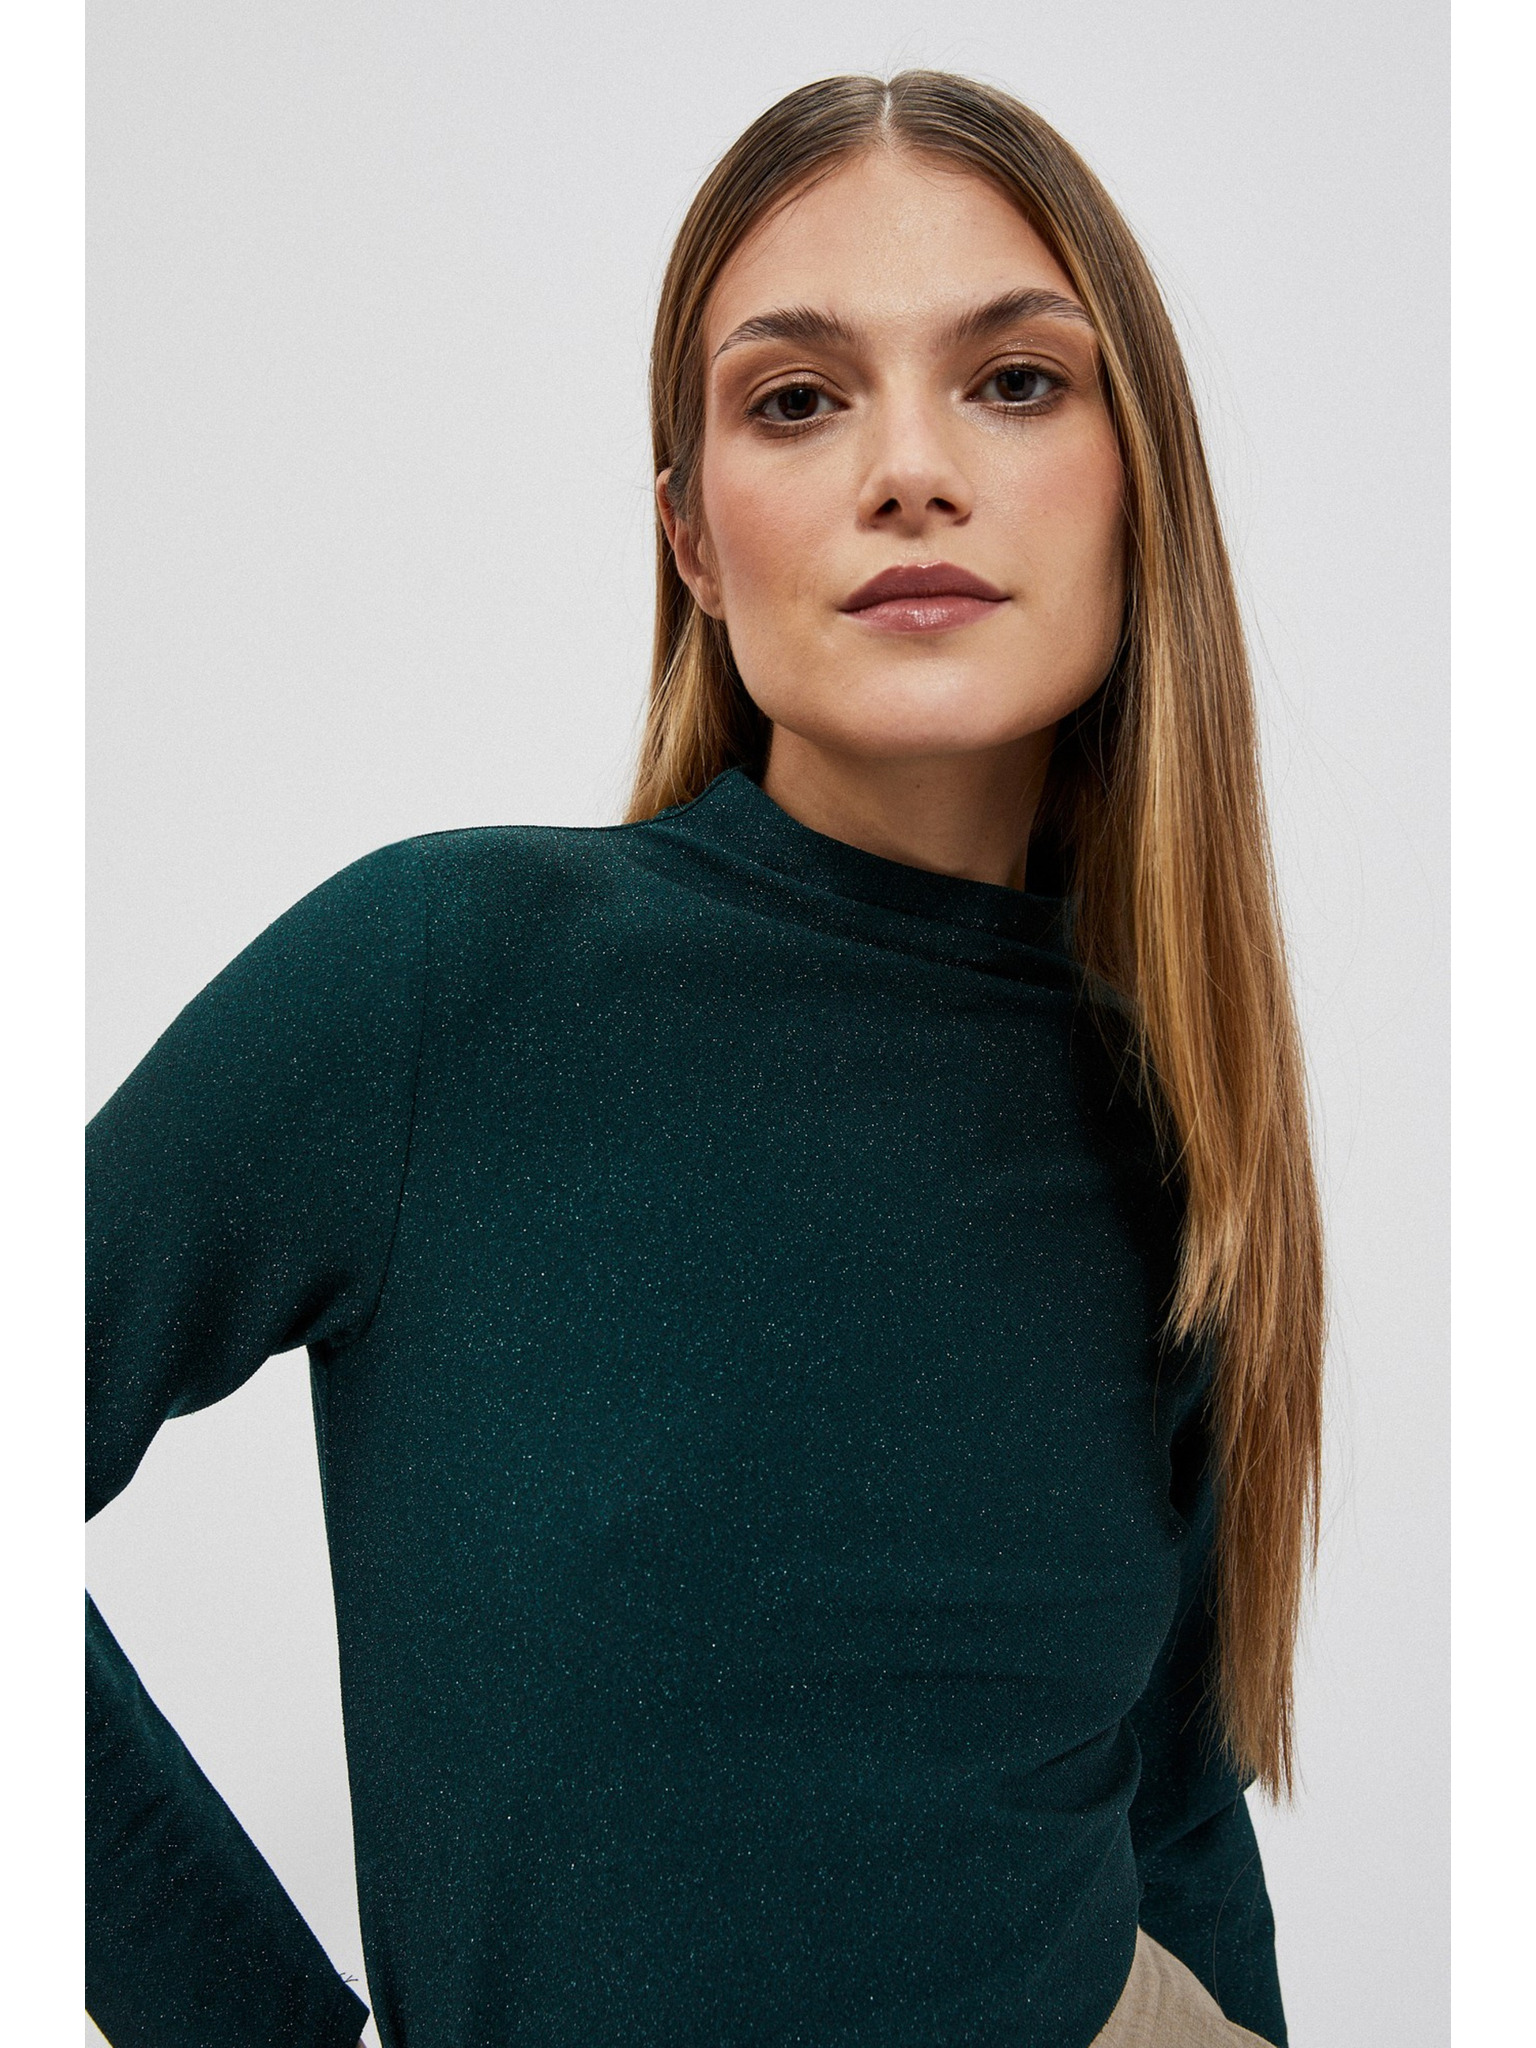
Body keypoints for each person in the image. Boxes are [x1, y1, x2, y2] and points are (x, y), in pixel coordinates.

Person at [86, 70, 1323, 2048]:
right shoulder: (444, 985)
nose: (908, 470)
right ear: (691, 536)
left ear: (1138, 482)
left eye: (1014, 381)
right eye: (798, 398)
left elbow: (1170, 1796)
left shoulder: (1167, 1117)